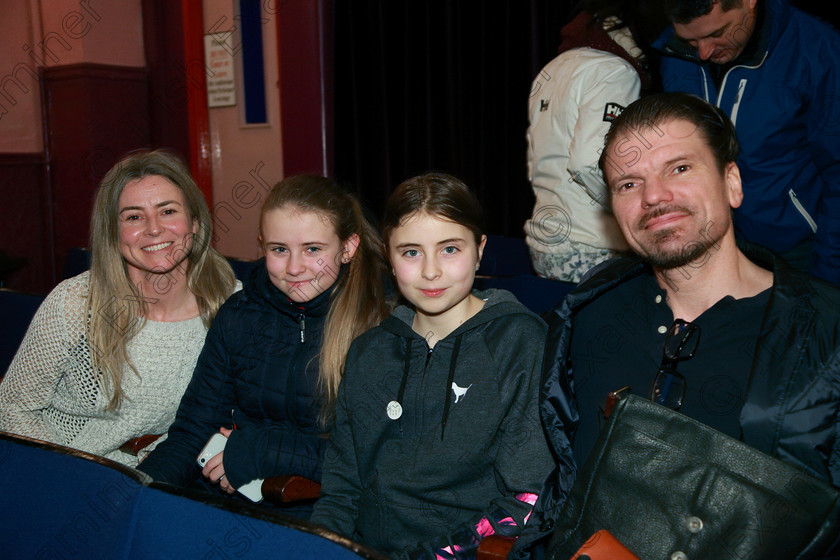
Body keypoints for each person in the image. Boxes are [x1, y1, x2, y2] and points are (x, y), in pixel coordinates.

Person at [512, 92, 840, 557]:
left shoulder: (825, 332)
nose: (654, 197)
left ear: (732, 183)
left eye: (679, 168)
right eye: (628, 184)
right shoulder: (584, 315)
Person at [310, 172, 558, 557]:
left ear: (479, 249)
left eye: (449, 249)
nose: (430, 271)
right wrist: (319, 549)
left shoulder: (519, 341)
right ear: (389, 258)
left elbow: (527, 496)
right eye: (410, 252)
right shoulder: (369, 351)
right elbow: (341, 489)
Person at [138, 175, 388, 513]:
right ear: (262, 245)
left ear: (347, 248)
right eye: (279, 250)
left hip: (326, 510)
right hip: (230, 499)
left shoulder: (380, 326)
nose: (295, 267)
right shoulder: (240, 313)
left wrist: (256, 451)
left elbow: (377, 462)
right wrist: (140, 492)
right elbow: (194, 429)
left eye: (313, 249)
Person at [0, 149, 238, 467]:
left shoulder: (230, 303)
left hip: (167, 475)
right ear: (113, 232)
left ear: (194, 222)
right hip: (62, 465)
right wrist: (69, 472)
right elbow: (13, 407)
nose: (154, 229)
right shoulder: (77, 302)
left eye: (168, 211)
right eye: (134, 216)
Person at [655, 0, 840, 284]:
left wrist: (829, 273)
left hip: (798, 251)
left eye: (717, 33)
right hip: (706, 247)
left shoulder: (816, 51)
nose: (704, 52)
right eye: (690, 40)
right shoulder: (673, 49)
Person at [525, 0, 668, 283]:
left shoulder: (552, 69)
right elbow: (589, 161)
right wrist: (636, 207)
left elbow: (537, 160)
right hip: (593, 247)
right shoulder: (615, 71)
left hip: (546, 242)